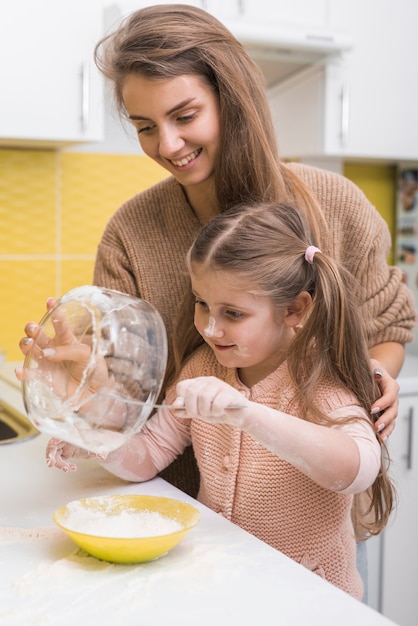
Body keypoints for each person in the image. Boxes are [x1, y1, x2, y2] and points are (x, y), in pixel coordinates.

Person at [19, 0, 414, 529]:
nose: (169, 144)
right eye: (144, 126)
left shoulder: (335, 204)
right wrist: (84, 386)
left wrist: (377, 375)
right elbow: (133, 402)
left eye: (184, 116)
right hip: (182, 515)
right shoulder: (130, 232)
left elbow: (387, 328)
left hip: (314, 519)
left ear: (232, 99)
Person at [27, 201, 395, 600]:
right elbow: (149, 453)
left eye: (233, 313)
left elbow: (356, 470)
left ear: (294, 309)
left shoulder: (320, 374)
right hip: (223, 584)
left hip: (309, 599)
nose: (210, 327)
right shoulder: (204, 367)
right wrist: (94, 429)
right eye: (202, 303)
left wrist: (246, 414)